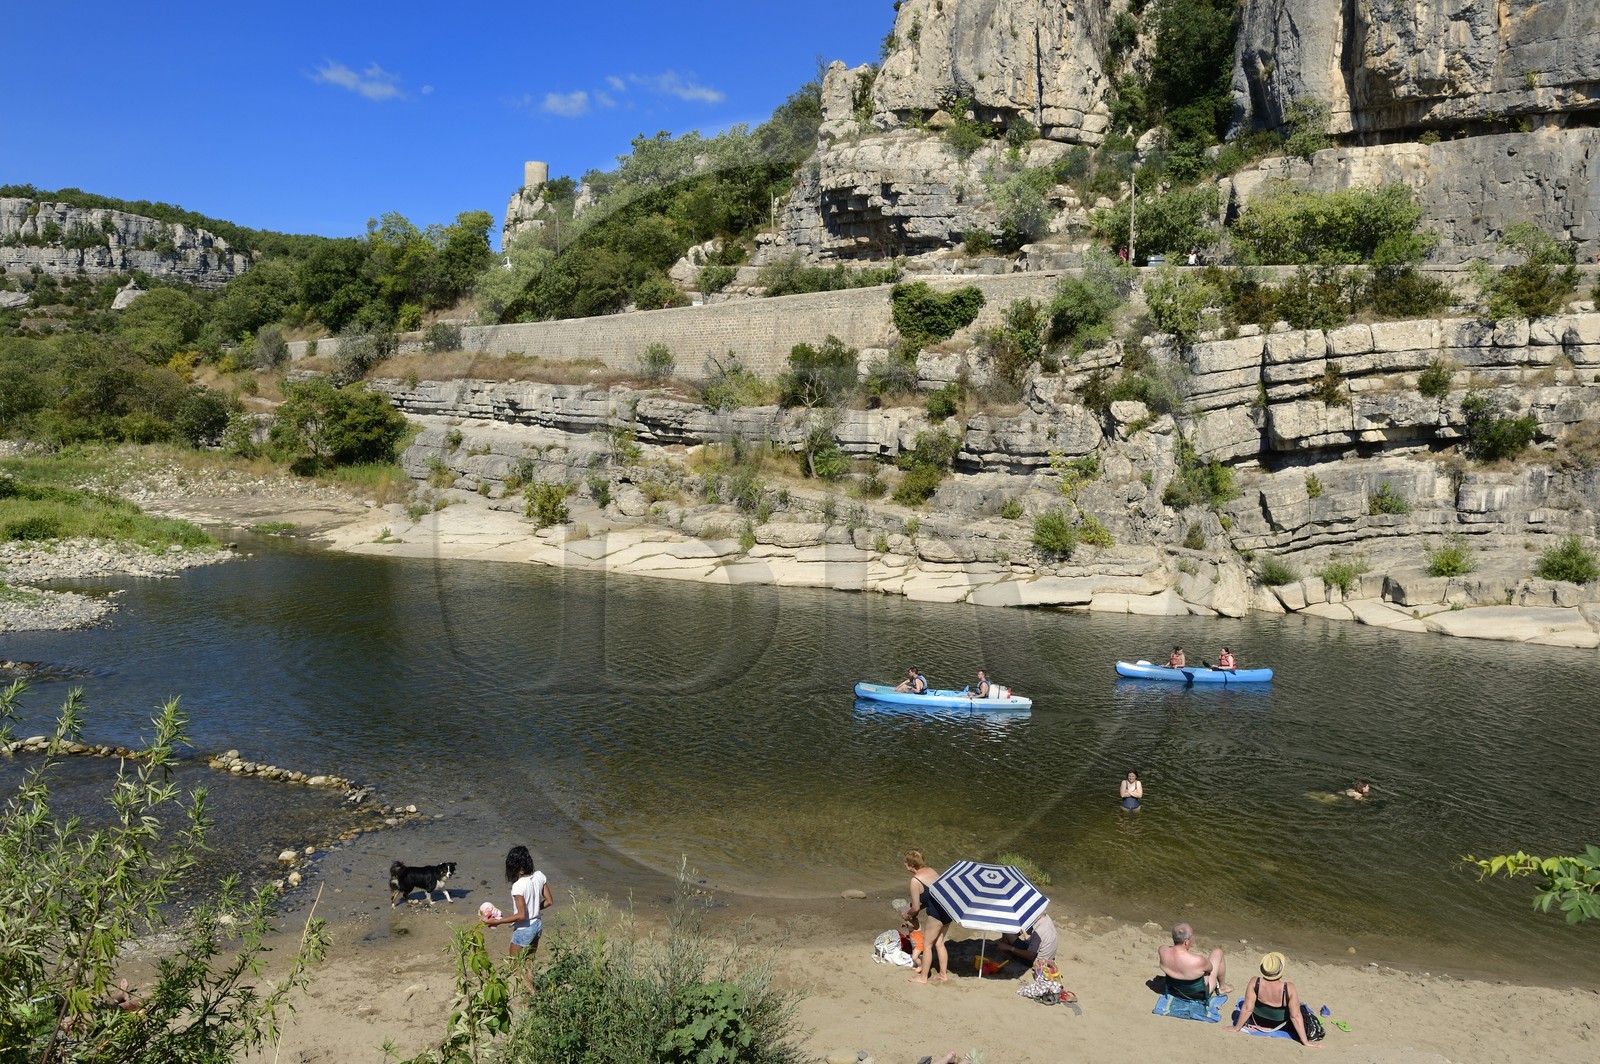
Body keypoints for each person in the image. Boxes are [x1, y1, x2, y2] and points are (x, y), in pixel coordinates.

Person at [482, 845, 554, 989]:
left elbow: (521, 916)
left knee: (515, 966)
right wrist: (533, 909)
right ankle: (533, 994)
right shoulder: (540, 876)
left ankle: (528, 998)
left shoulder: (518, 886)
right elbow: (549, 901)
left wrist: (497, 921)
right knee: (528, 963)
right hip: (537, 925)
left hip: (524, 930)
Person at [1228, 951, 1319, 1045]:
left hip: (1257, 1020)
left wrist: (1236, 1028)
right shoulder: (1289, 988)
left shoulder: (1255, 982)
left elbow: (1247, 1009)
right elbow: (1295, 1016)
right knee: (1300, 1010)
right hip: (1280, 1024)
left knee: (1243, 1003)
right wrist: (1305, 1041)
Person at [902, 849, 950, 984]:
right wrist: (914, 911)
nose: (905, 865)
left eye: (906, 863)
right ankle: (943, 974)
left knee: (927, 945)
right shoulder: (932, 871)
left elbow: (916, 907)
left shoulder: (915, 881)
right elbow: (931, 898)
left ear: (911, 865)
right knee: (939, 943)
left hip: (936, 914)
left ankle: (923, 978)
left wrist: (908, 914)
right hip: (948, 910)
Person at [1159, 922, 1230, 1001]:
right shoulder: (1198, 960)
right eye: (1192, 936)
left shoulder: (1162, 950)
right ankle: (1222, 988)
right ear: (1186, 942)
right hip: (1198, 994)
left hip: (1175, 989)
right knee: (1217, 952)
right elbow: (1210, 969)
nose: (1193, 938)